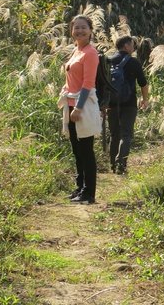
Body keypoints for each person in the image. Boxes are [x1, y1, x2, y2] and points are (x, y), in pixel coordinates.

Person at [58, 15, 102, 204]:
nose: (80, 31)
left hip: (81, 106)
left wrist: (78, 108)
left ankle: (89, 193)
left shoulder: (90, 53)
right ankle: (80, 187)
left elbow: (88, 84)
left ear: (90, 31)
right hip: (70, 105)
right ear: (71, 31)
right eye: (76, 28)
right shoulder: (76, 51)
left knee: (86, 150)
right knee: (77, 151)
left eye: (84, 28)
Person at [107, 35, 150, 175]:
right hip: (129, 103)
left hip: (111, 104)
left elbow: (101, 84)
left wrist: (102, 104)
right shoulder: (133, 62)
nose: (134, 47)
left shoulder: (108, 61)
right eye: (132, 44)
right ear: (126, 46)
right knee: (126, 134)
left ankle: (113, 165)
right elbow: (143, 83)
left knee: (114, 134)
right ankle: (121, 164)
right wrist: (145, 99)